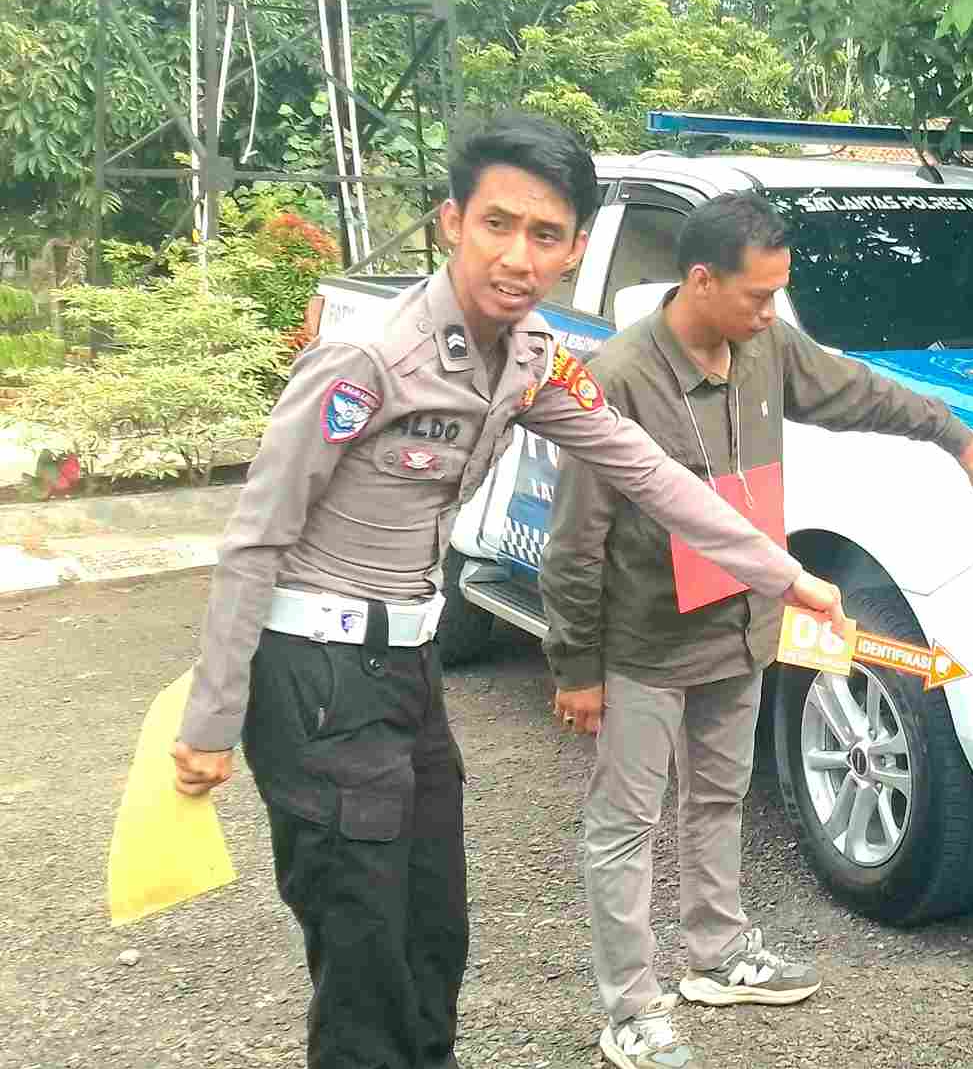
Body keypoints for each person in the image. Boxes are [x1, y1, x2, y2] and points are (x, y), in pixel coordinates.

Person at [167, 112, 848, 1069]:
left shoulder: (532, 357)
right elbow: (258, 536)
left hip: (409, 667)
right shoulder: (371, 359)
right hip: (317, 675)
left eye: (544, 234)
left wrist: (788, 576)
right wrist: (210, 719)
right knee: (363, 953)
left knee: (434, 933)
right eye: (497, 224)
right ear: (453, 222)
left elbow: (653, 475)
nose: (517, 256)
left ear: (573, 249)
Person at [538, 191, 973, 1069]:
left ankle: (718, 954)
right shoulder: (617, 379)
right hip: (645, 641)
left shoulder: (766, 346)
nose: (770, 312)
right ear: (700, 280)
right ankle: (631, 1007)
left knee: (718, 795)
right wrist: (576, 665)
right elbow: (574, 540)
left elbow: (858, 390)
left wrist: (951, 434)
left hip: (740, 625)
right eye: (758, 295)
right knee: (625, 823)